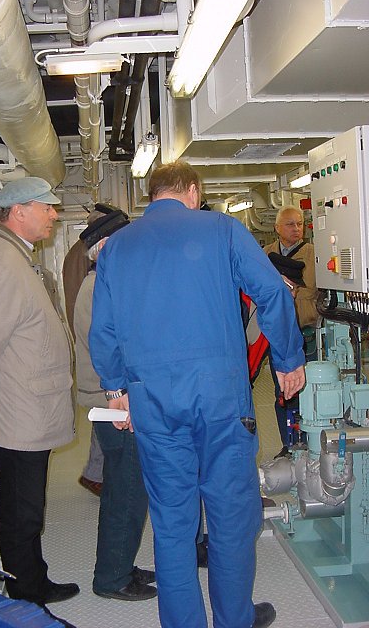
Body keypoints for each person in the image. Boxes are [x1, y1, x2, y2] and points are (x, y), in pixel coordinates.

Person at [88, 161, 306, 628]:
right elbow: (272, 292)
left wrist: (115, 388)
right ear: (193, 191)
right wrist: (289, 359)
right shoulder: (223, 230)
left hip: (153, 402)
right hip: (220, 400)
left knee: (172, 525)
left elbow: (103, 328)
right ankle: (234, 619)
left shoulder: (117, 246)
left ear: (152, 195)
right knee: (231, 520)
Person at [0, 177, 79, 628]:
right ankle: (25, 595)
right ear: (19, 211)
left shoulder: (15, 256)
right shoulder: (3, 264)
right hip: (18, 410)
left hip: (28, 406)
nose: (54, 214)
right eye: (47, 207)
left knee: (28, 504)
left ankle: (34, 580)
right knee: (22, 510)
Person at [74, 209, 157, 601]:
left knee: (124, 488)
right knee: (126, 491)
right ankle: (112, 578)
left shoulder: (102, 283)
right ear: (106, 246)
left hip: (115, 400)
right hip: (115, 404)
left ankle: (120, 564)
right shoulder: (97, 288)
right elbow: (112, 350)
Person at [63, 203, 118, 496]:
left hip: (93, 356)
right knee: (107, 420)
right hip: (99, 365)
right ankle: (97, 476)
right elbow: (101, 332)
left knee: (104, 423)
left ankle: (95, 473)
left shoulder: (79, 257)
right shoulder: (93, 280)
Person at [264, 205, 318, 458]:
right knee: (283, 393)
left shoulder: (313, 254)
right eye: (290, 224)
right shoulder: (265, 255)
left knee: (308, 391)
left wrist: (297, 293)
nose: (296, 229)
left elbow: (321, 292)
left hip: (307, 333)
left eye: (299, 224)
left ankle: (312, 443)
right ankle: (288, 445)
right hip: (278, 338)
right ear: (277, 228)